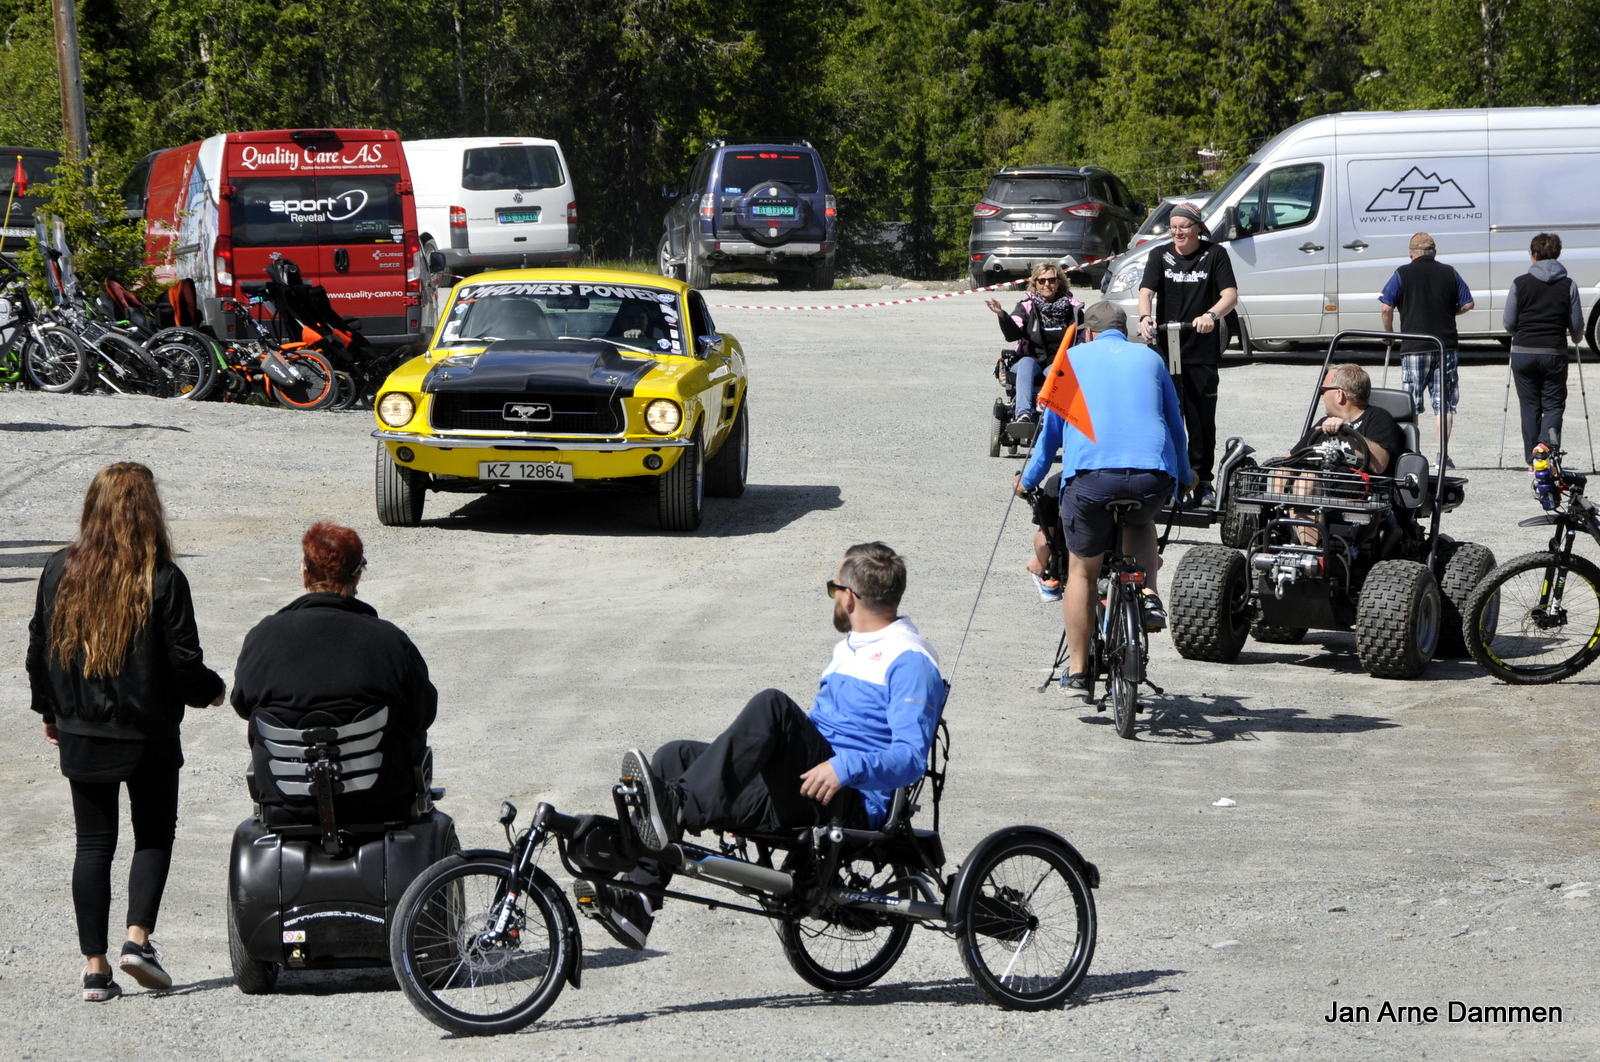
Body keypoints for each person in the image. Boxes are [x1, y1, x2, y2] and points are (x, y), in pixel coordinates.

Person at [576, 543, 944, 949]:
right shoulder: (850, 649)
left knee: (774, 706)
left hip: (851, 799)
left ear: (850, 597)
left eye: (833, 589)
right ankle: (640, 901)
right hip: (809, 786)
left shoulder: (910, 660)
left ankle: (679, 807)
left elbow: (910, 758)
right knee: (673, 757)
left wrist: (845, 767)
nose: (833, 598)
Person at [26, 463, 226, 1002]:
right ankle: (137, 941)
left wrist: (49, 709)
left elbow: (39, 650)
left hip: (82, 731)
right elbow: (185, 662)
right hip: (149, 734)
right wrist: (210, 689)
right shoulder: (162, 577)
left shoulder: (57, 570)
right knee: (154, 835)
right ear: (149, 513)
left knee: (92, 845)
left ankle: (95, 969)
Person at [1018, 301, 1191, 701]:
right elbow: (1174, 423)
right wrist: (1184, 476)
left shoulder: (1073, 359)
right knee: (1140, 520)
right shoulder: (1150, 357)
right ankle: (1147, 594)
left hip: (1091, 480)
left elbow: (1050, 436)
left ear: (1088, 333)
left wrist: (1027, 480)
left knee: (1082, 573)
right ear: (1124, 330)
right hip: (1151, 476)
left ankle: (1078, 673)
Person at [231, 523, 437, 824]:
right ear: (357, 576)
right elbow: (423, 713)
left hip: (286, 807)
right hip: (379, 802)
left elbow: (242, 704)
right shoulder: (389, 643)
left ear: (304, 573)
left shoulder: (263, 638)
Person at [1135, 203, 1238, 509]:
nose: (1178, 232)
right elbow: (1146, 292)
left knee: (1201, 418)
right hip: (1167, 346)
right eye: (1173, 227)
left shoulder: (1214, 254)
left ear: (1197, 227)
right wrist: (1144, 317)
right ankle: (1168, 478)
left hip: (1200, 348)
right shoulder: (1160, 255)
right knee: (1166, 417)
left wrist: (1211, 315)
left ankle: (1202, 480)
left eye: (1184, 226)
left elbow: (1229, 294)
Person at [1281, 364, 1407, 545]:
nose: (1321, 395)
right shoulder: (1323, 424)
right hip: (1318, 498)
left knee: (1305, 480)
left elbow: (1380, 463)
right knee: (1282, 475)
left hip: (1360, 505)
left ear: (1339, 394)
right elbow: (1288, 461)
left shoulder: (1378, 418)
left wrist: (1346, 432)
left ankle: (1313, 557)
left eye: (1323, 390)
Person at [1379, 232, 1474, 460]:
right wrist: (1449, 311)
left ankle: (1412, 453)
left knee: (1410, 403)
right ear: (1434, 252)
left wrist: (1389, 334)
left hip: (1414, 346)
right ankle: (1442, 454)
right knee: (1444, 403)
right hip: (1445, 346)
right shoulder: (1449, 272)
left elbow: (1386, 308)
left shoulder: (1402, 273)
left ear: (1411, 253)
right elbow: (1468, 304)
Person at [1504, 232, 1585, 464]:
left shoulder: (1519, 283)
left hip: (1523, 352)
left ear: (1535, 255)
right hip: (1554, 353)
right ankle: (1546, 450)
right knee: (1553, 404)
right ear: (1557, 254)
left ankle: (1533, 460)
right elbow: (1577, 328)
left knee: (1529, 406)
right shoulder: (1568, 284)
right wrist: (1576, 337)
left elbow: (1509, 323)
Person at [985, 263, 1083, 422]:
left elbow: (1082, 337)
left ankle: (1053, 417)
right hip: (1030, 360)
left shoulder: (1073, 309)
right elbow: (1012, 334)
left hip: (1057, 363)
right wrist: (1002, 316)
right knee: (1025, 363)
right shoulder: (1026, 306)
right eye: (1041, 280)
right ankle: (1023, 415)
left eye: (1051, 280)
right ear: (1035, 283)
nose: (1047, 284)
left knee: (1055, 370)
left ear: (1058, 282)